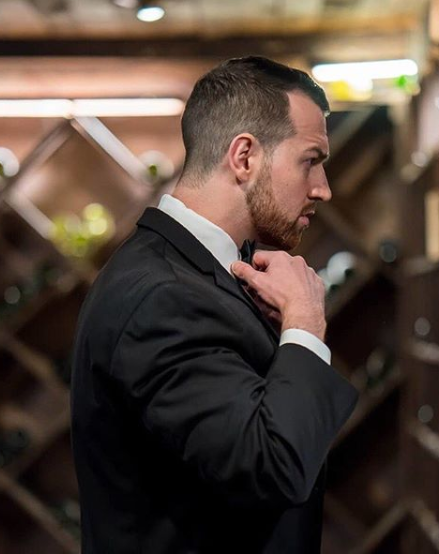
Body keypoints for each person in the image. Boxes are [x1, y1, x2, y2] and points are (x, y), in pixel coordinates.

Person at [70, 56, 358, 554]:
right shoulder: (162, 297)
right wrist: (306, 323)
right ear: (244, 156)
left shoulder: (196, 277)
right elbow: (270, 467)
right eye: (310, 160)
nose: (323, 189)